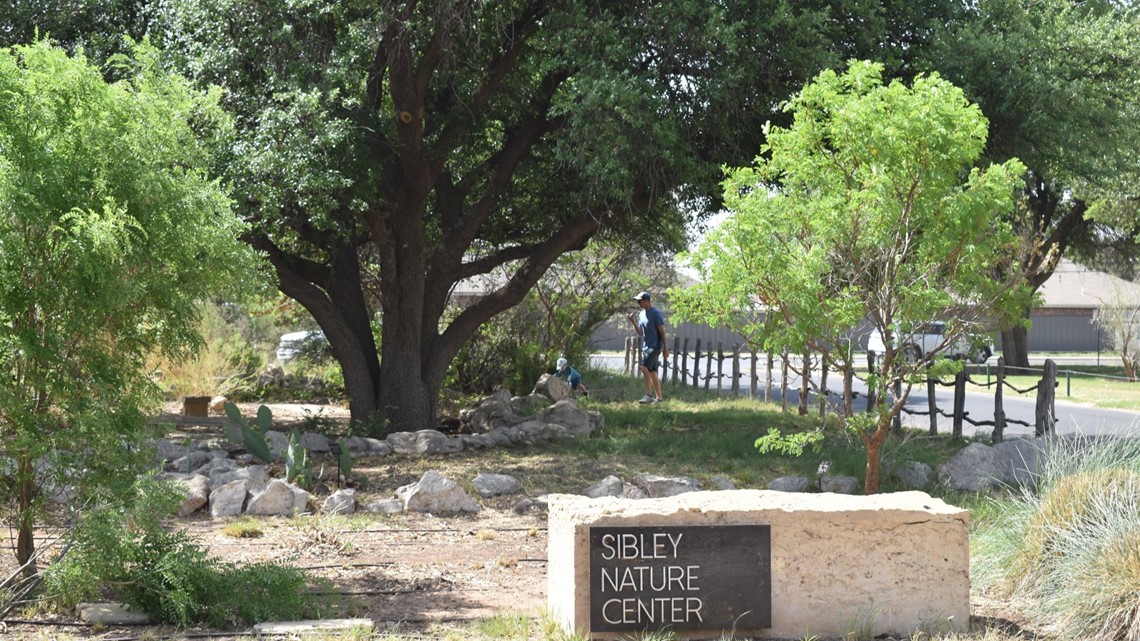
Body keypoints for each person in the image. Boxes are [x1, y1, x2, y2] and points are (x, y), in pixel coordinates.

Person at [626, 291, 668, 404]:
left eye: (640, 301)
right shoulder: (641, 314)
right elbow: (640, 332)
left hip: (655, 346)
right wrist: (633, 322)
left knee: (644, 368)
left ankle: (648, 395)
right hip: (646, 346)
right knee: (653, 372)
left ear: (646, 301)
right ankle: (659, 399)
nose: (638, 303)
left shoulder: (656, 313)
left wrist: (665, 349)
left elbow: (662, 332)